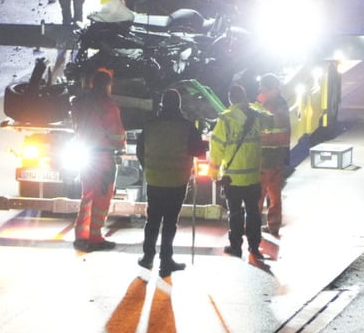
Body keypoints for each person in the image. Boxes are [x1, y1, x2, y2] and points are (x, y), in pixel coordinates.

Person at [136, 88, 207, 277]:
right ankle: (166, 261)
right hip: (177, 181)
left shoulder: (150, 125)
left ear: (162, 104)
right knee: (169, 223)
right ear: (179, 105)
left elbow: (140, 150)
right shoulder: (186, 126)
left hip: (155, 179)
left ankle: (147, 257)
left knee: (152, 220)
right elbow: (198, 152)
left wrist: (148, 167)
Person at [71, 69, 125, 251]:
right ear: (108, 85)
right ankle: (95, 237)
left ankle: (81, 235)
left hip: (86, 154)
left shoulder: (80, 103)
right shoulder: (108, 105)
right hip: (103, 156)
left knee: (87, 195)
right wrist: (120, 145)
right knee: (101, 197)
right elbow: (115, 132)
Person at [209, 84, 265, 260]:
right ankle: (254, 247)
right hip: (253, 175)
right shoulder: (257, 115)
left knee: (235, 213)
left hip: (232, 177)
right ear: (244, 96)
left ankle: (235, 246)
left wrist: (214, 172)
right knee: (253, 212)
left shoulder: (225, 119)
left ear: (230, 98)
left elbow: (217, 147)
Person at [255, 73, 290, 237]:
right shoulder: (282, 103)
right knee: (275, 193)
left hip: (266, 155)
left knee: (258, 194)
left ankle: (253, 227)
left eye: (262, 87)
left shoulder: (268, 106)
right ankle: (274, 225)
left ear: (270, 89)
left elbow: (258, 125)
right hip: (279, 156)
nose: (260, 89)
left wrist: (259, 102)